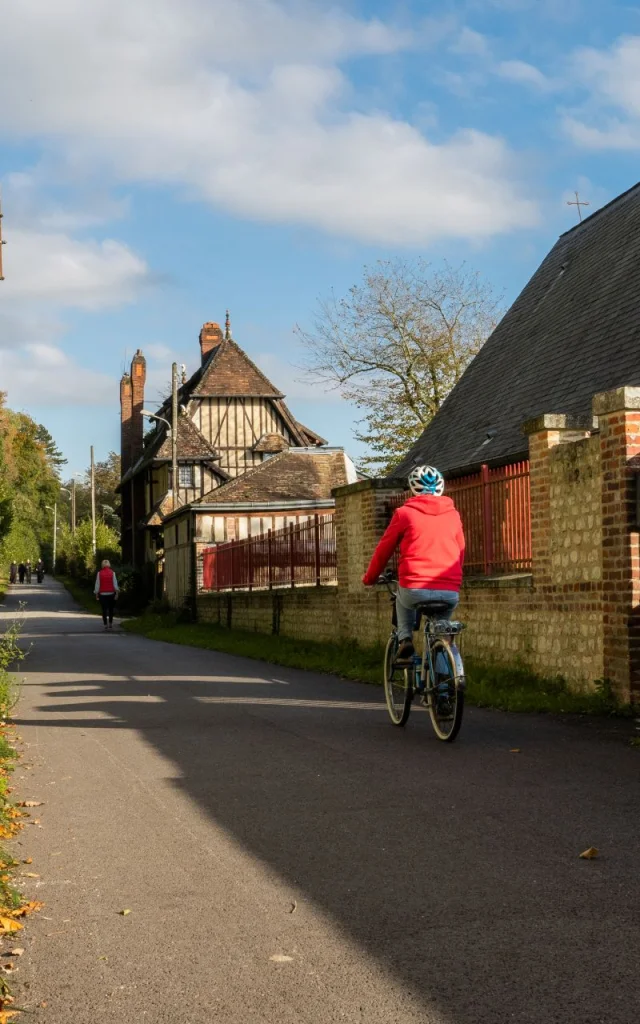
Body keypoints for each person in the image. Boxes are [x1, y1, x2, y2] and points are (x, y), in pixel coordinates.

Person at [362, 465, 465, 662]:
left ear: (412, 488)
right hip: (450, 590)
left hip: (414, 587)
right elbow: (460, 551)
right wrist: (454, 578)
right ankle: (444, 686)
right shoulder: (453, 514)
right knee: (442, 632)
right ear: (441, 487)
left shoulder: (404, 513)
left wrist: (370, 578)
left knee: (402, 601)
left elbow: (383, 551)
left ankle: (405, 640)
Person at [94, 559, 119, 630]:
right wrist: (117, 593)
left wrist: (96, 593)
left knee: (104, 609)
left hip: (102, 594)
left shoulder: (99, 573)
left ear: (102, 565)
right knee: (111, 609)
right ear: (109, 565)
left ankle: (105, 624)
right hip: (111, 594)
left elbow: (97, 584)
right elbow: (115, 583)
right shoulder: (112, 573)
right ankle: (110, 623)